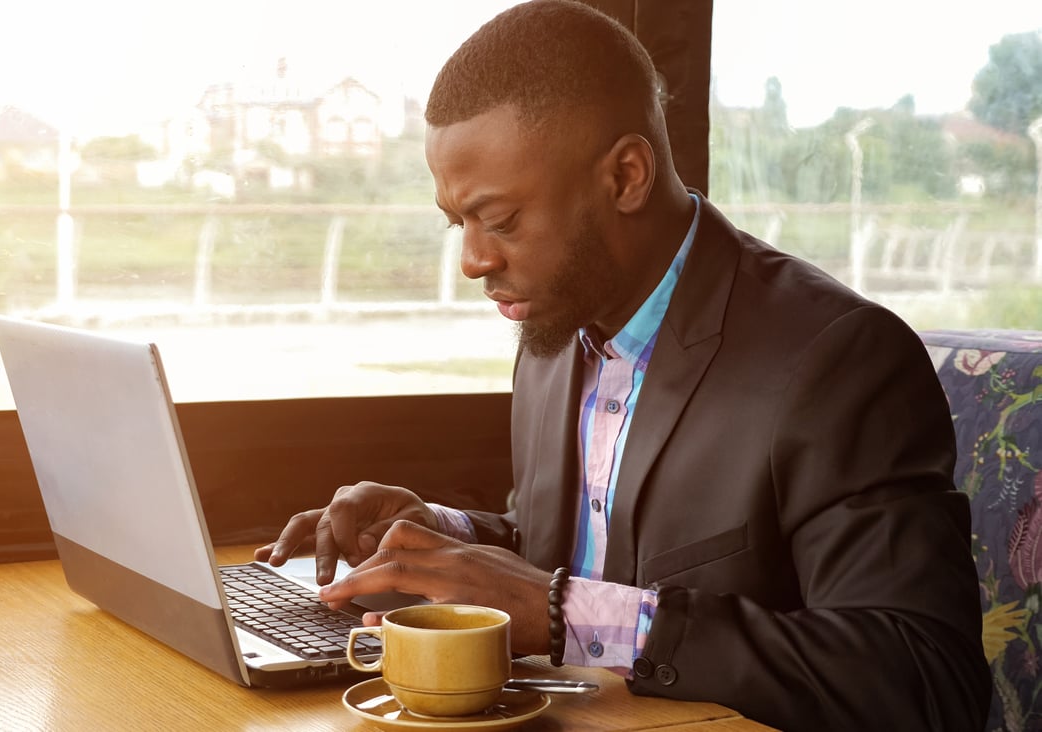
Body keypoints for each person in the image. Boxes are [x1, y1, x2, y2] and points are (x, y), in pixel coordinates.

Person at [254, 1, 990, 729]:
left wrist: (567, 612)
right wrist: (439, 537)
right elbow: (573, 549)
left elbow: (922, 677)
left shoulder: (838, 359)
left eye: (502, 220)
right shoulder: (558, 324)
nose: (475, 260)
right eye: (460, 223)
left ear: (628, 175)